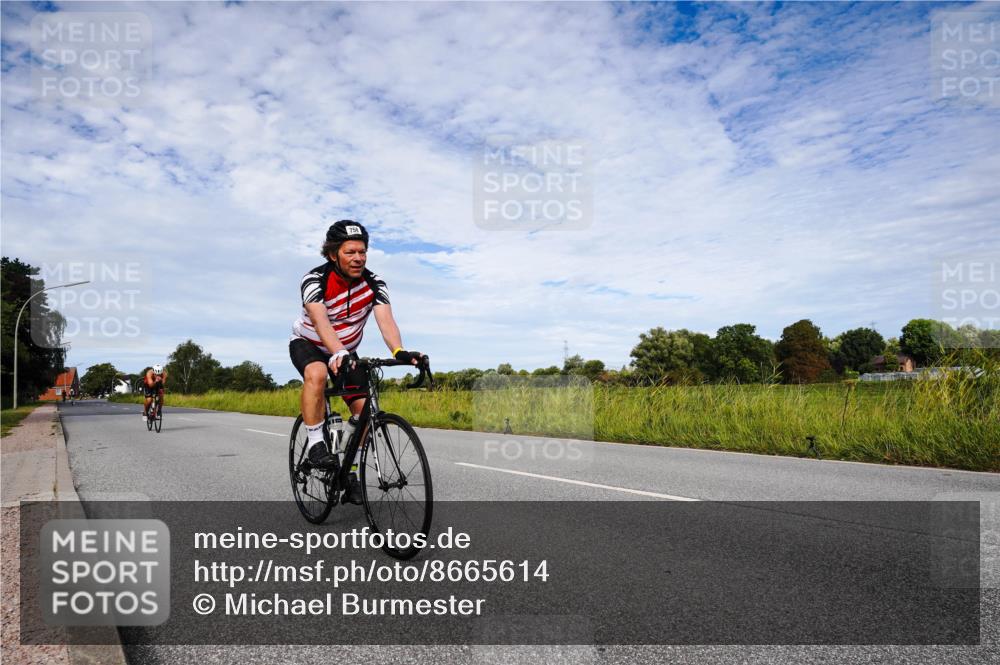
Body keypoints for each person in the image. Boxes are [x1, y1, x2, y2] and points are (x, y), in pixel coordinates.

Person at [289, 220, 423, 505]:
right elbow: (320, 321)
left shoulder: (374, 283)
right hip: (309, 343)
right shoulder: (314, 280)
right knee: (317, 373)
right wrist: (336, 351)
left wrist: (399, 351)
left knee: (365, 411)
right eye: (350, 252)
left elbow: (386, 320)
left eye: (362, 252)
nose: (358, 258)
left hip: (346, 352)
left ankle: (350, 473)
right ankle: (316, 443)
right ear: (332, 254)